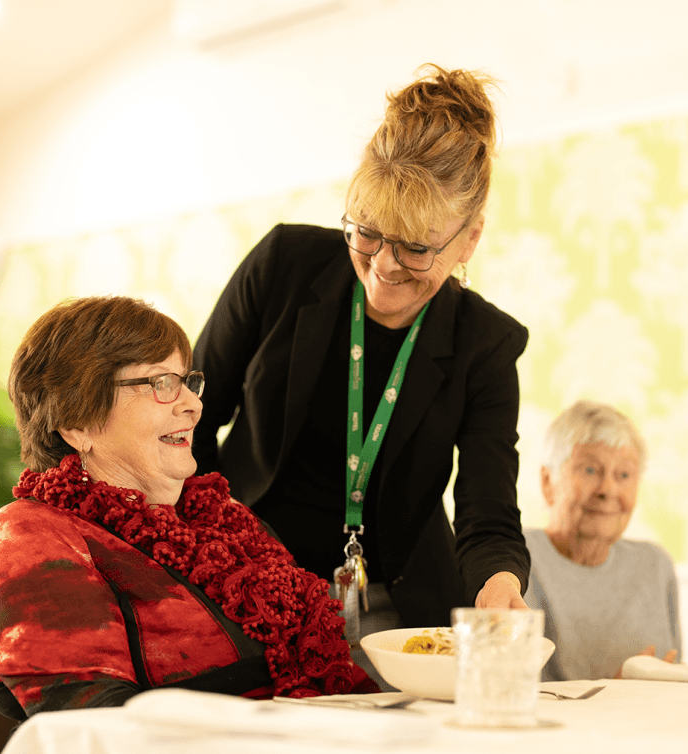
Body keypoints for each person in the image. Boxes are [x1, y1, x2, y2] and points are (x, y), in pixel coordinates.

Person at [191, 64, 531, 668]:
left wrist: (499, 585)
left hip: (396, 613)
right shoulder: (283, 267)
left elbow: (488, 510)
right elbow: (188, 418)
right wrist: (226, 543)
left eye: (416, 247)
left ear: (469, 240)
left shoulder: (486, 343)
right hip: (248, 585)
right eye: (367, 233)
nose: (383, 266)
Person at [0, 296, 377, 721]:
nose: (194, 404)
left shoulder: (234, 522)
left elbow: (341, 680)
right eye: (159, 383)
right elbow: (93, 728)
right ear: (77, 422)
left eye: (187, 382)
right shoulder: (30, 532)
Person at [523, 400, 681, 681]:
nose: (608, 489)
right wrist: (615, 692)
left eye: (623, 474)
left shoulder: (655, 565)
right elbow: (504, 688)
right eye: (590, 470)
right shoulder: (514, 558)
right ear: (548, 482)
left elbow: (676, 676)